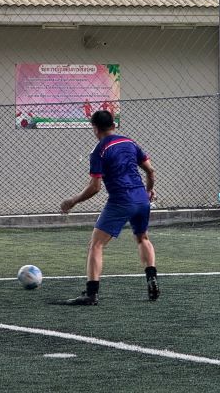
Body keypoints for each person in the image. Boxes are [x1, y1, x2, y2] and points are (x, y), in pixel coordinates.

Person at [59, 110, 159, 305]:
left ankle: (91, 294)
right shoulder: (130, 142)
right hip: (141, 200)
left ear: (95, 129)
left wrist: (72, 201)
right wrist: (148, 190)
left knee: (96, 244)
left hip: (120, 200)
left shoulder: (99, 151)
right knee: (142, 238)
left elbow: (95, 187)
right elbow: (150, 170)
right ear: (113, 125)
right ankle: (151, 277)